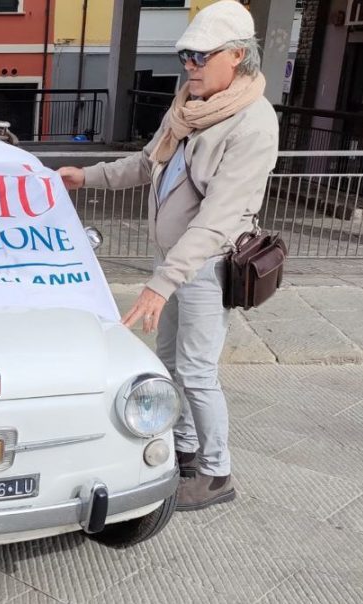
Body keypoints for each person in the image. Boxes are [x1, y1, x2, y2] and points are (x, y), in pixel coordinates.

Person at [59, 0, 278, 511]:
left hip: (209, 262)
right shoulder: (187, 108)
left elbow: (218, 219)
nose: (190, 67)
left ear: (238, 56)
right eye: (185, 57)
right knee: (169, 362)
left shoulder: (252, 123)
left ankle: (217, 473)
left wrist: (163, 281)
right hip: (177, 262)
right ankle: (183, 451)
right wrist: (84, 176)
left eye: (201, 57)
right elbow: (144, 163)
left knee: (198, 371)